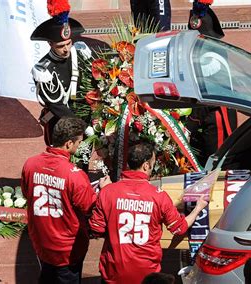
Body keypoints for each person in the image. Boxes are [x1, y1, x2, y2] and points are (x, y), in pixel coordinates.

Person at [89, 141, 209, 283]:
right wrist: (197, 209)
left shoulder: (108, 191)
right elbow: (179, 228)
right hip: (147, 275)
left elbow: (96, 229)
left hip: (113, 272)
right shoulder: (158, 196)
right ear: (146, 165)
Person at [21, 117, 110, 283]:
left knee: (46, 277)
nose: (81, 146)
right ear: (69, 143)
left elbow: (27, 194)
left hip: (41, 241)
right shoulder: (74, 175)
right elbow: (90, 208)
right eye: (79, 142)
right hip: (68, 249)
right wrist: (103, 190)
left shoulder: (30, 164)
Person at [31, 2, 92, 146]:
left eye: (68, 43)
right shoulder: (43, 70)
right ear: (50, 44)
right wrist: (83, 127)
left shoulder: (80, 54)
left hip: (84, 115)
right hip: (60, 123)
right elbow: (56, 106)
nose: (66, 49)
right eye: (60, 46)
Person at [187, 1, 238, 165]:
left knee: (217, 164)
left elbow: (209, 95)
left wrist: (191, 125)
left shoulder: (212, 57)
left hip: (216, 119)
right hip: (206, 116)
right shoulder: (205, 51)